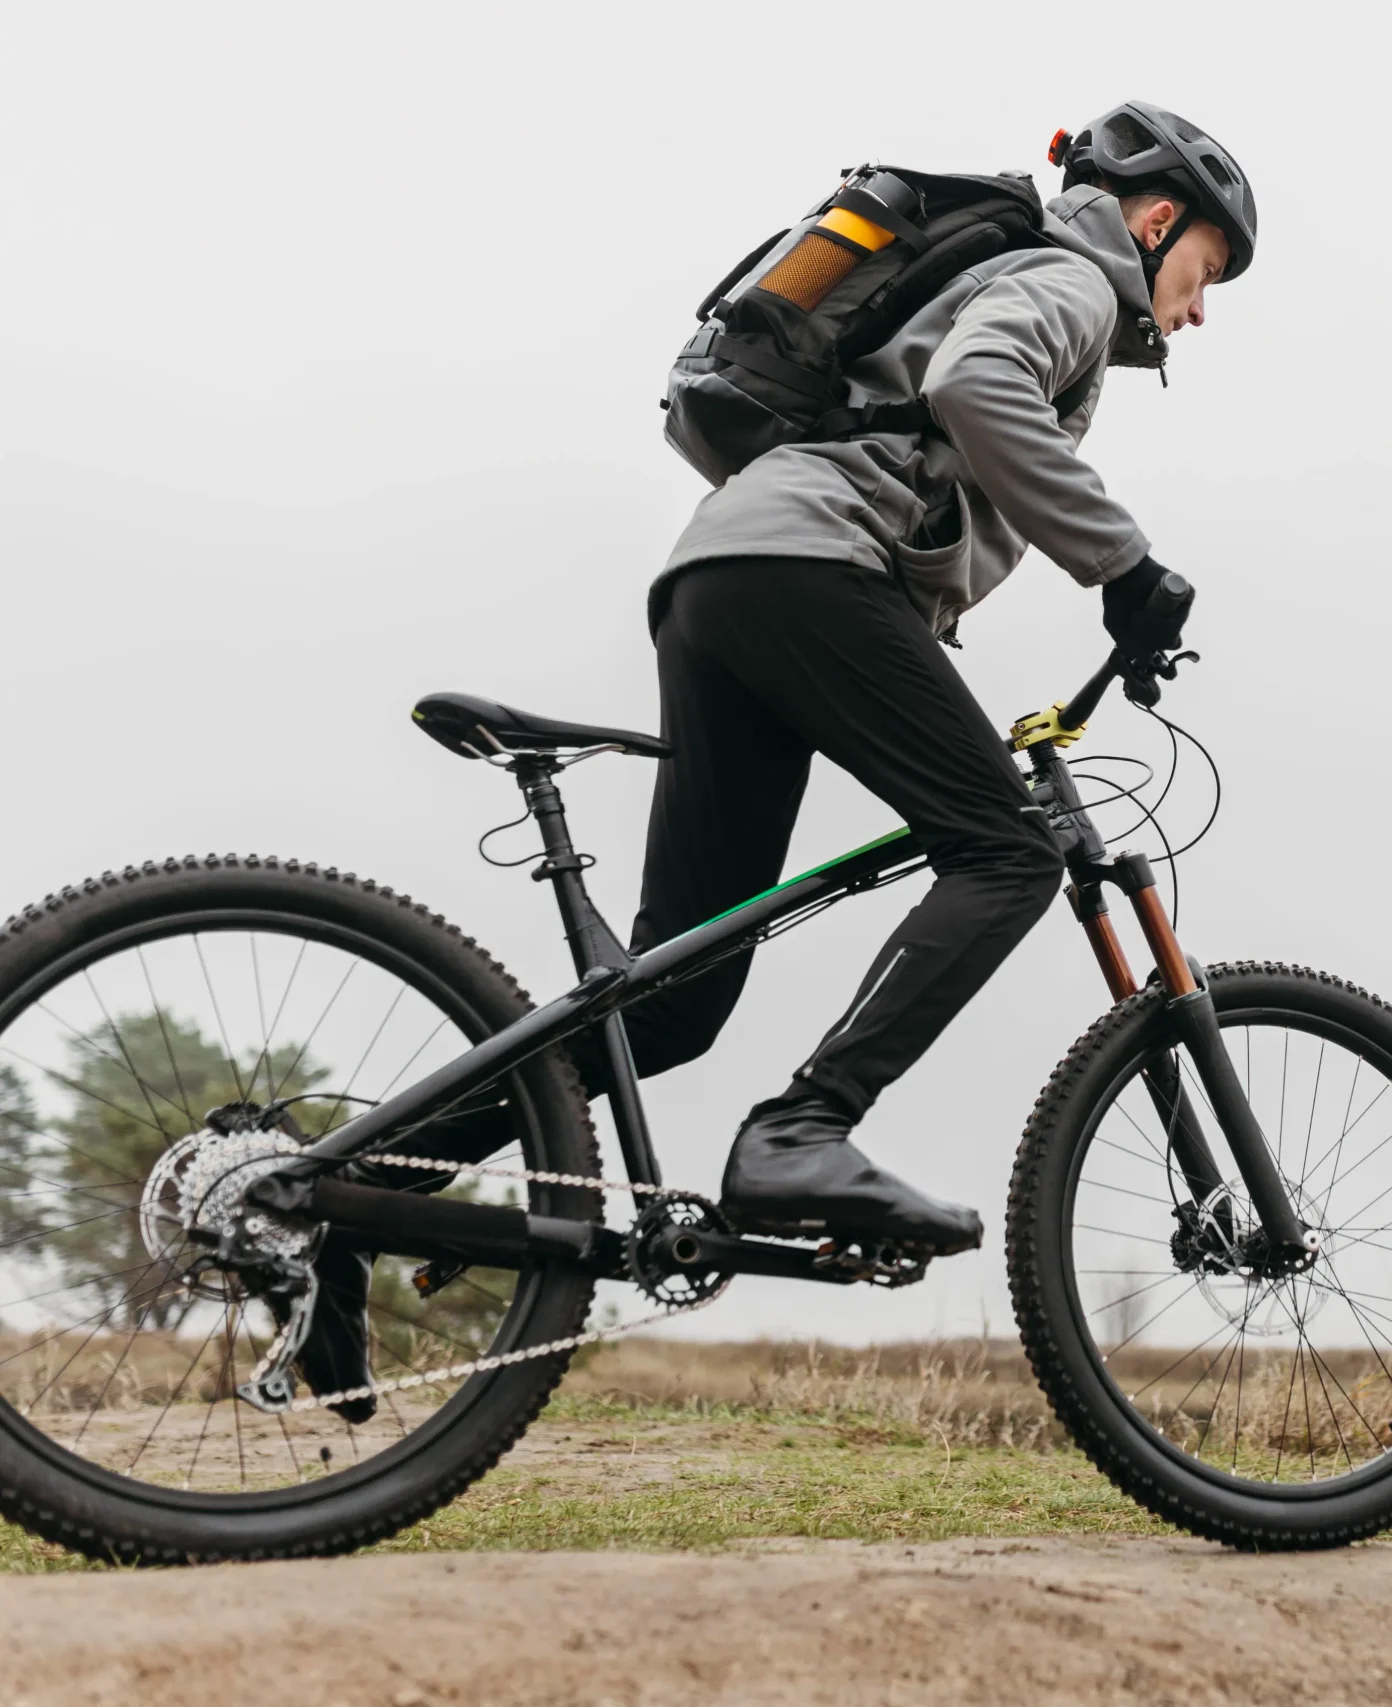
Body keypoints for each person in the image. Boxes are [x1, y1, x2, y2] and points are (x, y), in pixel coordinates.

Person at [293, 101, 1256, 1419]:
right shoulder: (1073, 276)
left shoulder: (1030, 274)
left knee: (675, 1001)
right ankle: (803, 1129)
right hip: (804, 568)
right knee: (1008, 850)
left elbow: (919, 459)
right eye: (1208, 271)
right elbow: (978, 391)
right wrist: (1128, 567)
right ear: (1157, 221)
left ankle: (345, 1195)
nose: (1199, 310)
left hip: (726, 578)